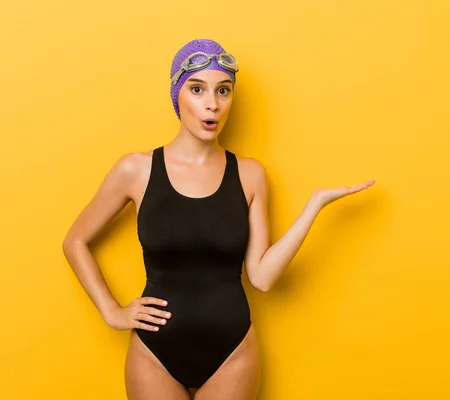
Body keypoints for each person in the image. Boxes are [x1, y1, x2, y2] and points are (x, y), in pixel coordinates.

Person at [62, 38, 375, 400]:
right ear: (178, 94)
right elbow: (75, 241)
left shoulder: (250, 175)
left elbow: (262, 277)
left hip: (232, 354)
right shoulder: (136, 169)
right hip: (154, 354)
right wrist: (111, 311)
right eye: (198, 89)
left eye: (223, 91)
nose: (212, 104)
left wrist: (314, 206)